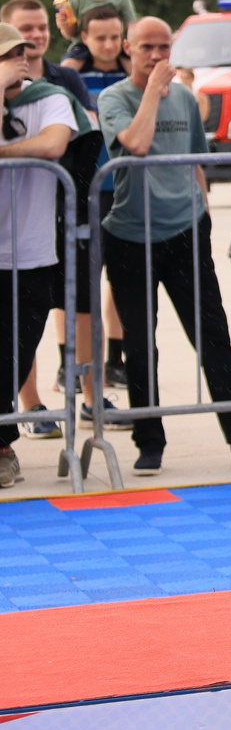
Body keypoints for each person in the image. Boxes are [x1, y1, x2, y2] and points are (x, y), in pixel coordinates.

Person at [99, 18, 231, 473]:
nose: (156, 55)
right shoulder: (113, 98)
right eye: (146, 46)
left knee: (213, 338)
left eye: (164, 46)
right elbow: (137, 144)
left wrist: (202, 212)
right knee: (140, 344)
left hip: (185, 229)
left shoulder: (187, 98)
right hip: (130, 233)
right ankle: (150, 441)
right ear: (128, 48)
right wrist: (152, 92)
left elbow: (195, 161)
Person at [0, 27, 77, 490]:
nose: (16, 61)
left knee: (16, 353)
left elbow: (52, 145)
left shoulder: (49, 97)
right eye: (6, 55)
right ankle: (4, 443)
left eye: (19, 53)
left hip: (31, 251)